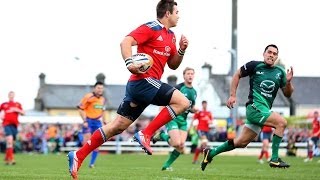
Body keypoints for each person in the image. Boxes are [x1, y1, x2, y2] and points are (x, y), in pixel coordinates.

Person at [67, 0, 189, 179]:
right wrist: (129, 62)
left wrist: (181, 50)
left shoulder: (171, 36)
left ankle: (78, 155)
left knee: (117, 127)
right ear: (167, 13)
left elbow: (173, 65)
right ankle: (146, 134)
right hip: (143, 81)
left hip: (141, 86)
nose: (179, 15)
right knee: (183, 102)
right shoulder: (151, 27)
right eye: (177, 11)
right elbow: (126, 41)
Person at [201, 44, 294, 171]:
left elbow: (288, 94)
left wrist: (288, 82)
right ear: (264, 53)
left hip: (264, 110)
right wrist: (232, 95)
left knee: (241, 143)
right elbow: (237, 75)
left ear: (276, 57)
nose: (271, 55)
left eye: (274, 54)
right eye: (269, 52)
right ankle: (274, 159)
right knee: (281, 122)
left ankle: (210, 153)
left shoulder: (280, 72)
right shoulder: (254, 66)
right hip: (254, 108)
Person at [152, 67, 197, 171]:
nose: (190, 75)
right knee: (176, 143)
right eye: (188, 73)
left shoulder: (194, 92)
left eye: (192, 73)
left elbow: (190, 107)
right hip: (173, 118)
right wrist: (161, 113)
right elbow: (166, 101)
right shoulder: (178, 88)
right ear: (184, 76)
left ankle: (166, 166)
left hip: (183, 121)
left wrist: (194, 110)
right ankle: (162, 135)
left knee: (181, 146)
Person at [77, 81, 107, 168]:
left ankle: (92, 163)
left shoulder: (103, 99)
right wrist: (84, 120)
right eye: (98, 88)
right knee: (86, 143)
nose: (100, 90)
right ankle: (78, 159)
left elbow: (103, 111)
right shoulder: (88, 96)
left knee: (97, 143)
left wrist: (104, 122)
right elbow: (80, 108)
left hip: (97, 122)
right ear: (94, 88)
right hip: (88, 121)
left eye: (101, 88)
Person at [0, 91, 25, 165]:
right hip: (6, 124)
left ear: (14, 96)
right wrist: (1, 115)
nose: (11, 96)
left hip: (14, 126)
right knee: (10, 140)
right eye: (10, 95)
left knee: (10, 143)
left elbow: (23, 113)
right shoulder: (4, 104)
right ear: (8, 96)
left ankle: (7, 158)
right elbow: (1, 113)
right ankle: (11, 159)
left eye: (12, 95)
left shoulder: (17, 104)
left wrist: (16, 110)